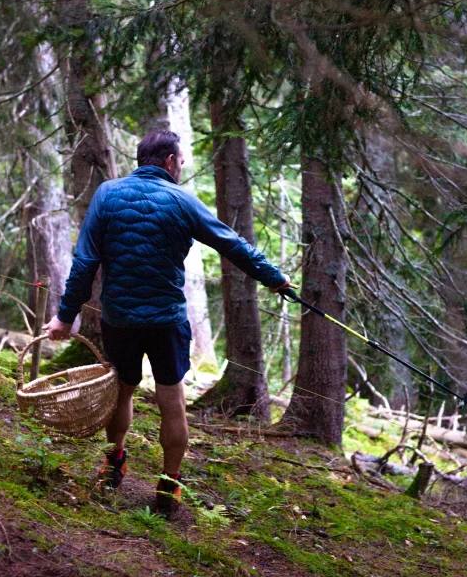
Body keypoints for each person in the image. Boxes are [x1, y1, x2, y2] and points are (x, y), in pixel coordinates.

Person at [44, 130, 290, 517]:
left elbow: (85, 262)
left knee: (122, 393)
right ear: (171, 162)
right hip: (166, 321)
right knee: (171, 402)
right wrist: (274, 278)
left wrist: (65, 316)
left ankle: (113, 464)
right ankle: (169, 485)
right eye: (181, 161)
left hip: (119, 318)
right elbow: (232, 245)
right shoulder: (183, 201)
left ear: (142, 159)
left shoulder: (107, 194)